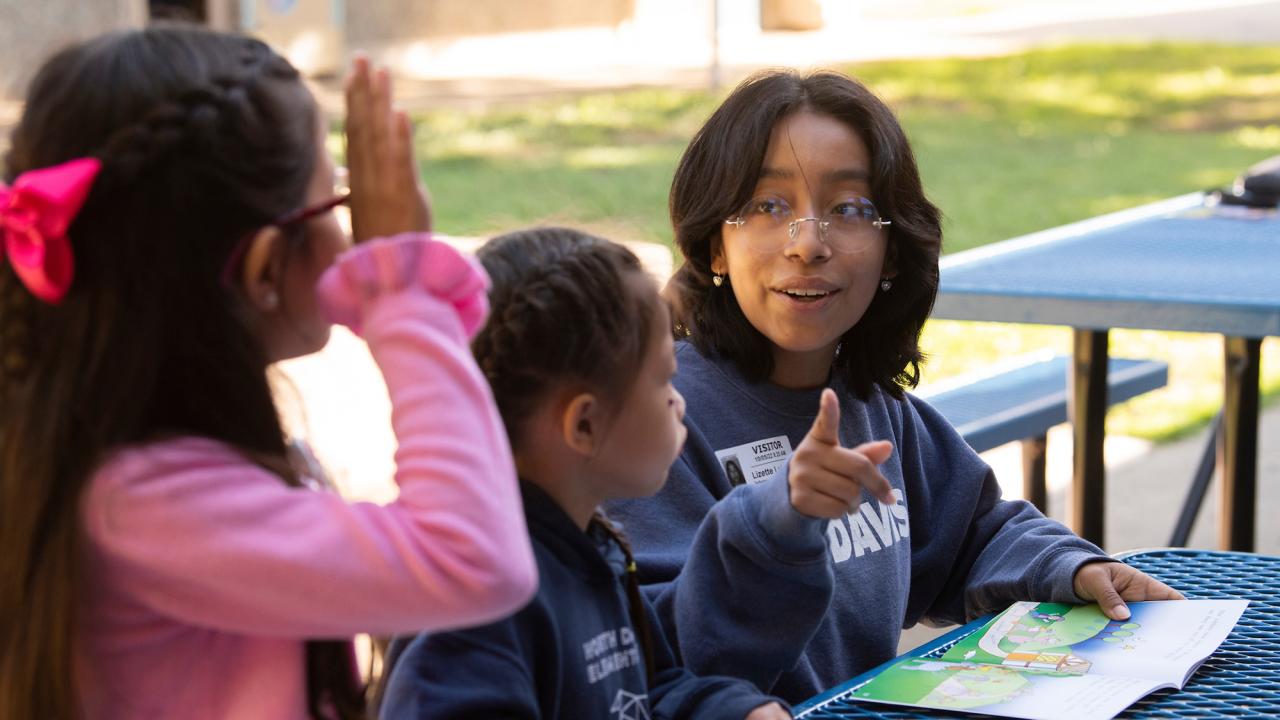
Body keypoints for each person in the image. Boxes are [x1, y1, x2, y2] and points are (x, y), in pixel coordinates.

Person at [0, 26, 537, 719]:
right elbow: (475, 558)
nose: (353, 231)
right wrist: (403, 291)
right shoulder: (145, 506)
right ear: (262, 270)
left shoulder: (126, 468)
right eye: (337, 202)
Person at [604, 70, 1182, 703]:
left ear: (893, 254)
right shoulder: (659, 419)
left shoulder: (876, 409)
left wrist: (1074, 568)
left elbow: (974, 534)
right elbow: (641, 654)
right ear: (716, 244)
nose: (808, 244)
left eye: (849, 210)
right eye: (769, 206)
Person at [377, 228, 790, 719]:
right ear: (585, 424)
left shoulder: (591, 547)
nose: (678, 401)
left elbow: (650, 692)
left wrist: (737, 711)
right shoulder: (476, 608)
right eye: (663, 380)